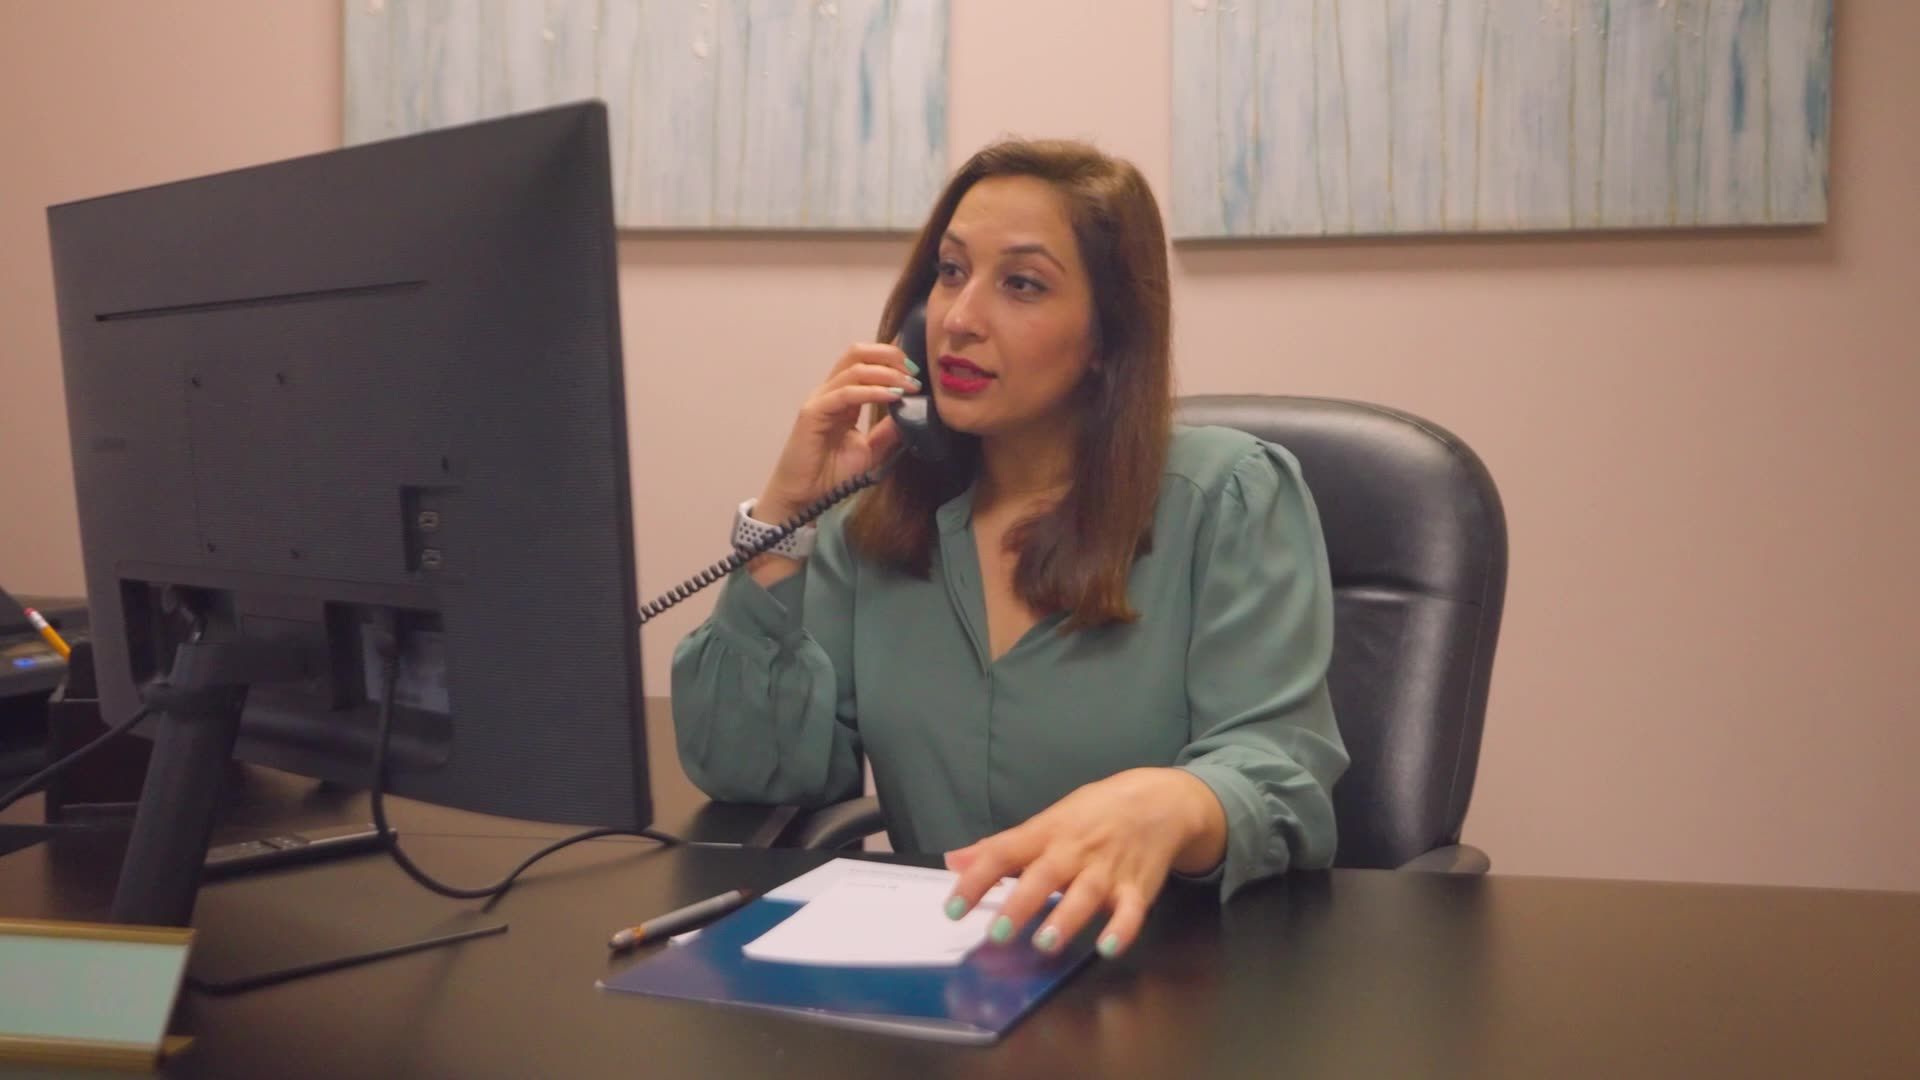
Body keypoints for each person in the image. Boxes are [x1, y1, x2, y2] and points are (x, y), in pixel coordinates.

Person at [672, 139, 1348, 960]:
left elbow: (1282, 776)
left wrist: (1177, 803)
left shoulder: (1228, 496)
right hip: (945, 986)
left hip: (1173, 979)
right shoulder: (877, 521)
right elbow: (756, 774)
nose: (960, 319)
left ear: (1107, 335)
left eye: (1021, 284)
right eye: (951, 272)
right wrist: (782, 522)